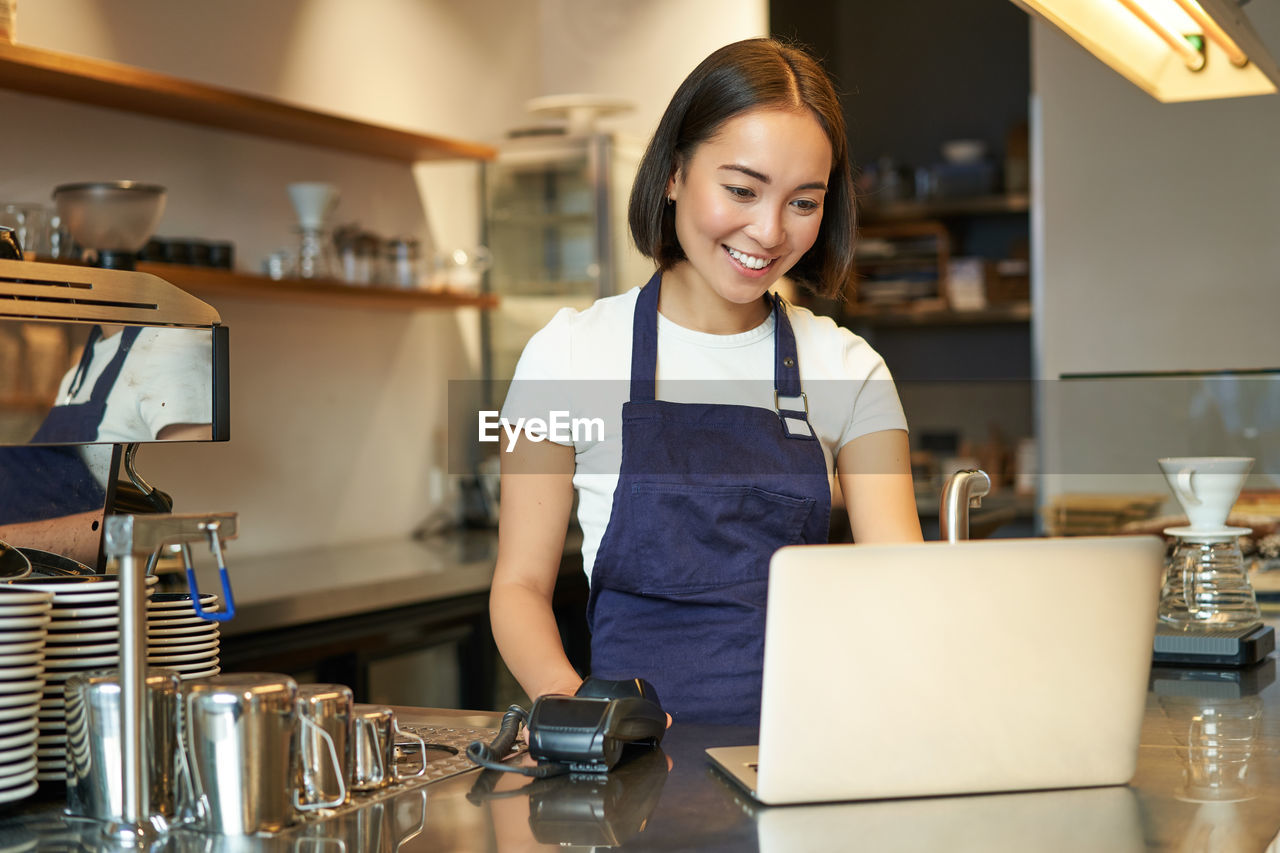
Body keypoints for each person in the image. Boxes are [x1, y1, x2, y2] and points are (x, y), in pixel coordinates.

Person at [490, 37, 923, 726]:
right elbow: (517, 586)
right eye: (742, 189)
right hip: (626, 770)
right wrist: (583, 716)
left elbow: (902, 591)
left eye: (803, 202)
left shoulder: (850, 371)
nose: (770, 230)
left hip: (800, 752)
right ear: (672, 173)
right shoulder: (567, 355)